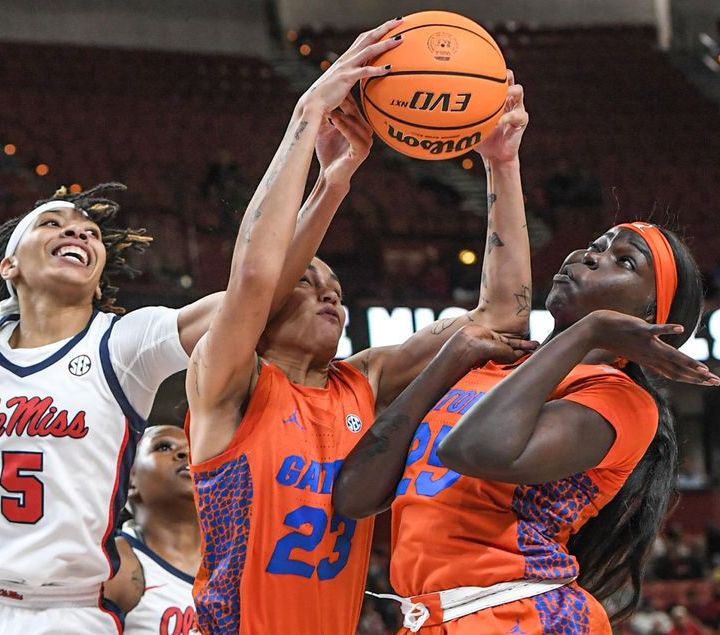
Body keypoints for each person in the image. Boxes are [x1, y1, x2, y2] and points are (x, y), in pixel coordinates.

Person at [0, 76, 382, 633]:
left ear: (98, 283)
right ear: (9, 266)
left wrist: (330, 184)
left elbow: (254, 292)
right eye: (52, 223)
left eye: (90, 232)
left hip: (66, 610)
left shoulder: (124, 343)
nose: (78, 231)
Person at [186, 17, 535, 635]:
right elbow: (254, 279)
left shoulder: (362, 381)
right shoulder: (227, 381)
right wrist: (314, 135)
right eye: (309, 283)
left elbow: (501, 320)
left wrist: (501, 164)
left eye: (338, 292)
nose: (330, 297)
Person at [334, 218, 720, 633]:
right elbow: (355, 496)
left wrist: (590, 332)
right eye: (597, 243)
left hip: (524, 615)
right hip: (433, 617)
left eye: (624, 261)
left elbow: (471, 451)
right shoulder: (488, 366)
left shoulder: (619, 398)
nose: (591, 255)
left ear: (649, 318)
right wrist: (450, 359)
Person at [104, 425, 200, 635]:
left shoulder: (238, 561)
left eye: (194, 446)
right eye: (164, 447)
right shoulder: (114, 564)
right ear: (129, 483)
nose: (187, 453)